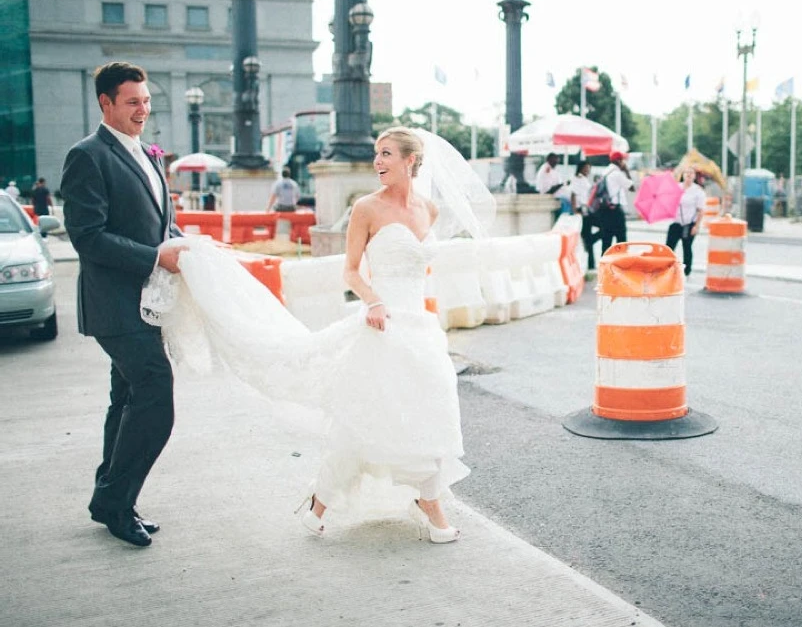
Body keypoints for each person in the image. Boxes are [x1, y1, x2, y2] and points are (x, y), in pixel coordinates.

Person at [140, 127, 493, 545]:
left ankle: (408, 500)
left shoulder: (429, 210)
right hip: (381, 326)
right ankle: (339, 503)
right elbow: (350, 272)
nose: (378, 162)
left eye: (387, 154)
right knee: (364, 421)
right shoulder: (366, 208)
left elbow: (420, 267)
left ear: (412, 161)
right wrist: (375, 301)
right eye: (376, 154)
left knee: (428, 414)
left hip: (420, 329)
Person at [60, 61, 186, 548]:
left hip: (148, 302)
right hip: (114, 305)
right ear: (105, 103)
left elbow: (158, 223)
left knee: (127, 399)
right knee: (155, 397)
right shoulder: (86, 156)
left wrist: (183, 245)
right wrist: (157, 255)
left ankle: (109, 498)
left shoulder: (149, 155)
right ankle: (115, 500)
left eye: (147, 101)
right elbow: (87, 237)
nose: (143, 110)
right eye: (132, 101)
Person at [665, 166, 707, 277]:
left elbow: (701, 210)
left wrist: (696, 226)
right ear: (683, 175)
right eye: (686, 173)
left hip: (689, 224)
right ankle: (666, 268)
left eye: (691, 173)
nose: (688, 175)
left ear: (694, 176)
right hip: (676, 222)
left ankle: (686, 270)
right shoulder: (677, 188)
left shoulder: (697, 191)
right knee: (669, 247)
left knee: (687, 247)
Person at [597, 151, 634, 256]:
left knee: (606, 239)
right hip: (615, 210)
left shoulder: (605, 172)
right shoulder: (617, 174)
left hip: (604, 209)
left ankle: (604, 263)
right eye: (623, 160)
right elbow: (631, 187)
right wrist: (626, 171)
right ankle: (622, 263)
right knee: (622, 239)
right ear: (618, 161)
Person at [568, 161, 599, 270]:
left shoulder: (584, 179)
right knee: (588, 234)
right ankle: (590, 263)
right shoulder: (578, 178)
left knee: (588, 235)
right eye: (585, 168)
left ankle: (591, 261)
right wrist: (575, 210)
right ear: (580, 168)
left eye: (589, 168)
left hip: (587, 208)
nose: (587, 171)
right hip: (582, 209)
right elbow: (573, 194)